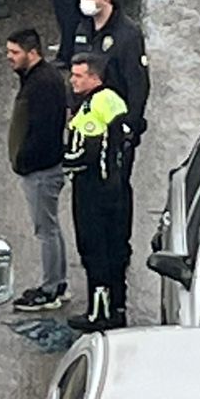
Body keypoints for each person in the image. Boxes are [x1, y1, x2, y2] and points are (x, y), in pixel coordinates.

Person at [64, 54, 133, 333]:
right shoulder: (115, 100)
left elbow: (83, 154)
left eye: (79, 76)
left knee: (95, 251)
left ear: (95, 78)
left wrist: (63, 159)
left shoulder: (94, 105)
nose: (72, 80)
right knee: (117, 249)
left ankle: (99, 314)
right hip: (118, 188)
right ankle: (117, 305)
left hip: (95, 191)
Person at [5, 27, 71, 312]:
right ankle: (57, 282)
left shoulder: (40, 84)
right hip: (43, 168)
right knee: (50, 228)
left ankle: (50, 288)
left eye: (15, 52)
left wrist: (25, 161)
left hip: (41, 170)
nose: (10, 58)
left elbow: (43, 131)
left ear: (33, 53)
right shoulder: (41, 77)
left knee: (46, 230)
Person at [69, 0, 149, 167]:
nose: (84, 2)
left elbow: (138, 84)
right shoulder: (83, 28)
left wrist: (129, 125)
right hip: (87, 125)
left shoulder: (127, 35)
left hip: (113, 125)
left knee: (113, 187)